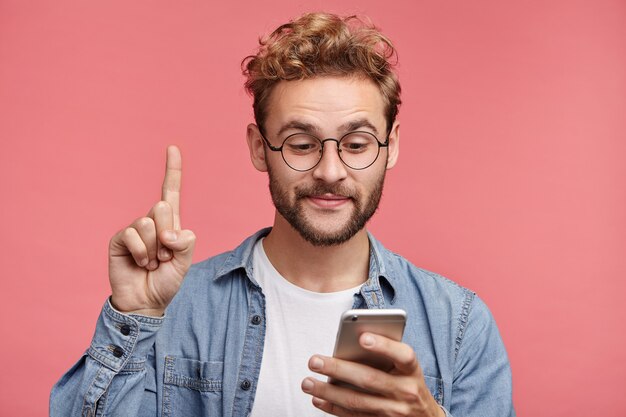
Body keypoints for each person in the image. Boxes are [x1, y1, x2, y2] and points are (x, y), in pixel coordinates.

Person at [50, 12, 514, 417]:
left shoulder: (459, 324)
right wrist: (133, 316)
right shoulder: (174, 310)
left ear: (390, 147)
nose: (330, 171)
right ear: (259, 148)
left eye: (356, 144)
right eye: (301, 144)